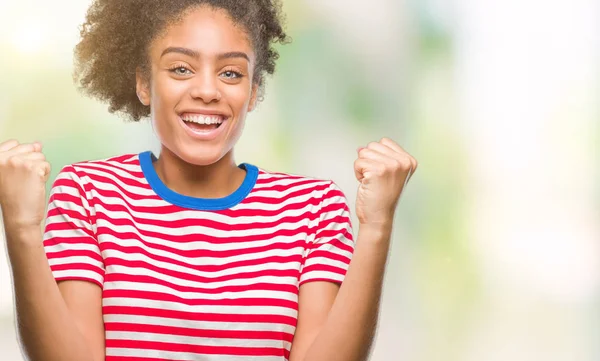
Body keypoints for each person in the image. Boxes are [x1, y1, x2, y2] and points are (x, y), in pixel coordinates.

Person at [0, 1, 417, 360]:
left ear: (254, 91)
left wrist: (377, 227)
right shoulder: (89, 194)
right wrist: (20, 230)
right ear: (144, 82)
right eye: (180, 68)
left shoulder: (312, 209)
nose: (207, 90)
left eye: (231, 74)